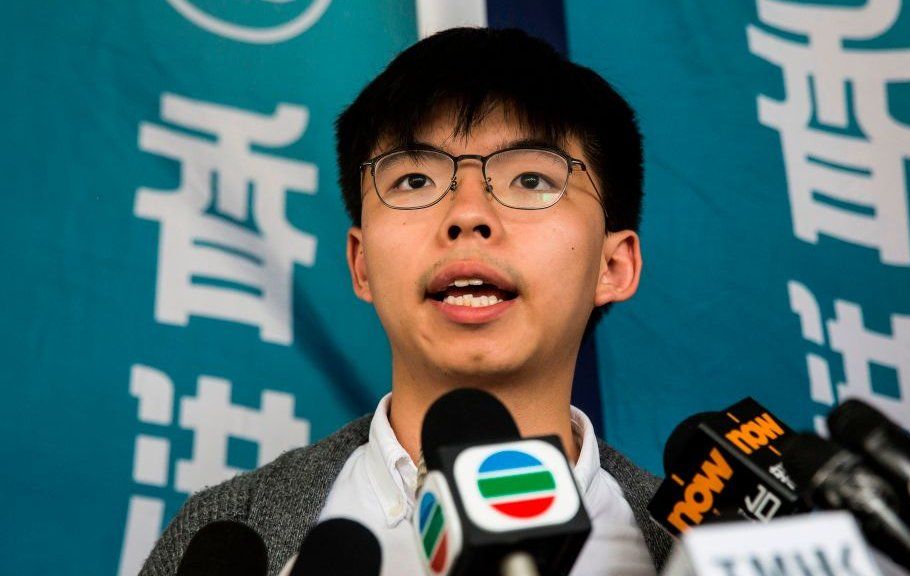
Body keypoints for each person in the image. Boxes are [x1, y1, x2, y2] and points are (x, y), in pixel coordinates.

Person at [141, 27, 670, 575]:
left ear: (613, 266)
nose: (469, 215)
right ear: (361, 263)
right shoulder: (226, 532)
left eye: (531, 178)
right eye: (415, 180)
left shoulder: (690, 545)